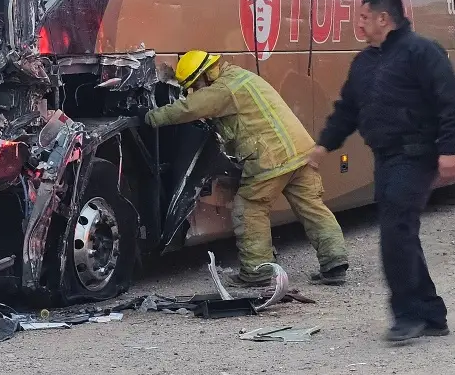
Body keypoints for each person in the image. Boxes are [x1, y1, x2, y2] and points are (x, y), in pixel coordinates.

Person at [308, 0, 455, 342]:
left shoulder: (421, 52)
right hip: (386, 156)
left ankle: (407, 314)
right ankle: (431, 313)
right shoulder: (364, 62)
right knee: (402, 231)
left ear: (384, 19)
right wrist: (324, 145)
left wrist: (449, 150)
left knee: (395, 232)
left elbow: (451, 103)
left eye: (364, 17)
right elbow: (347, 109)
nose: (358, 24)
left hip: (417, 154)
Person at [145, 51, 349, 287]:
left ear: (205, 75)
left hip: (271, 158)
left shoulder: (222, 89)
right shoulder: (241, 77)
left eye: (194, 85)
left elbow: (187, 109)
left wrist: (149, 117)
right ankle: (334, 263)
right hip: (300, 152)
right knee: (312, 208)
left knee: (250, 209)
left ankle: (256, 272)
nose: (194, 91)